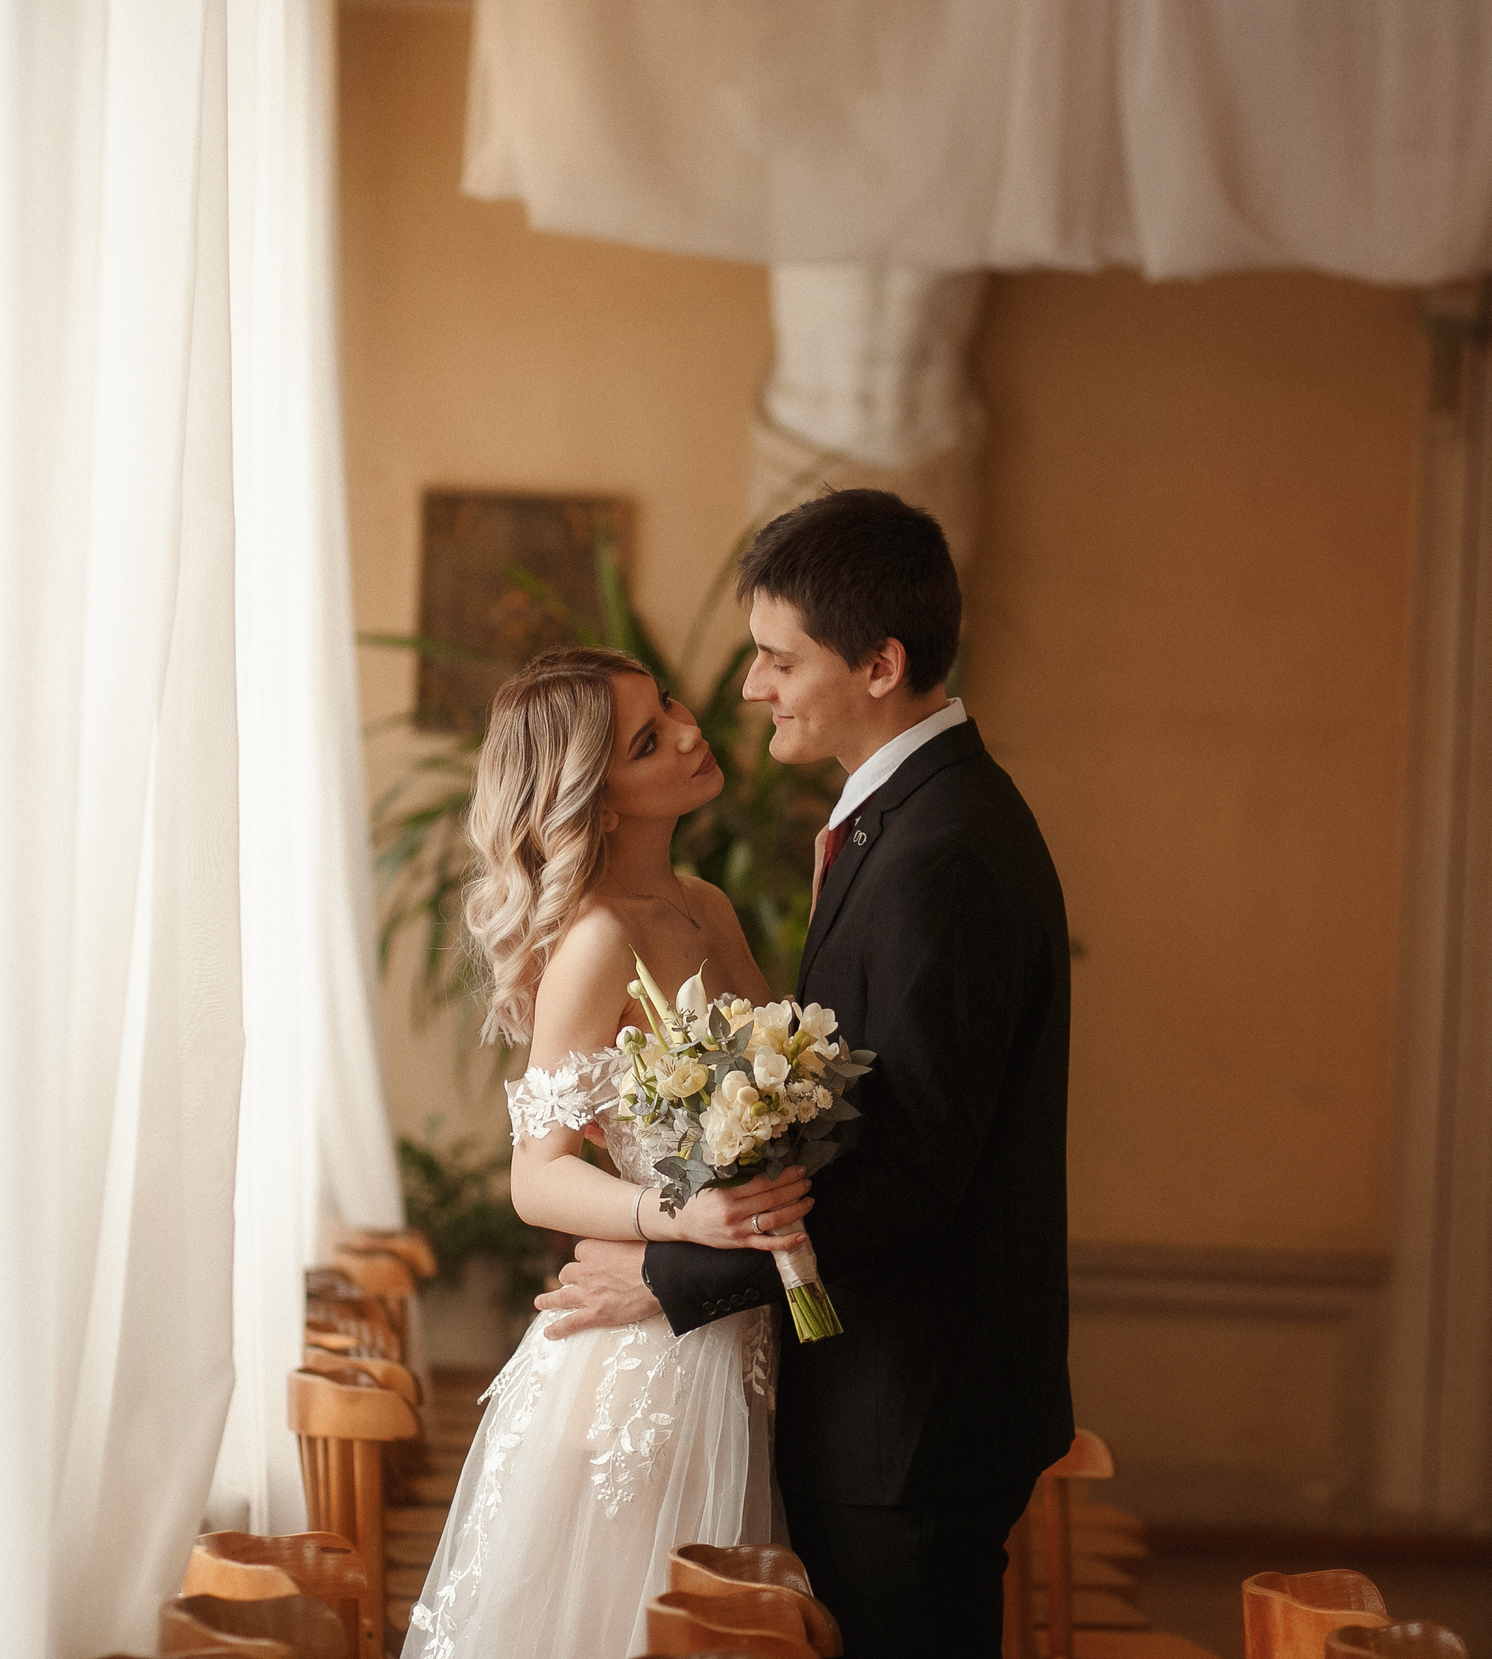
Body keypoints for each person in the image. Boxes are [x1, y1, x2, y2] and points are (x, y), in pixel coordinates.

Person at [535, 489, 1074, 1659]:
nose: (744, 692)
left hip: (912, 1417)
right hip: (865, 1395)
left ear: (878, 665)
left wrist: (669, 1278)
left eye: (777, 659)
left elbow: (912, 1175)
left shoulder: (942, 853)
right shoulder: (905, 821)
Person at [400, 644, 818, 1659]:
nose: (688, 730)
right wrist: (684, 1219)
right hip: (644, 1365)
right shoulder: (595, 941)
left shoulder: (709, 905)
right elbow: (535, 1176)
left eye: (669, 705)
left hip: (737, 1335)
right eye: (647, 739)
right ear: (599, 797)